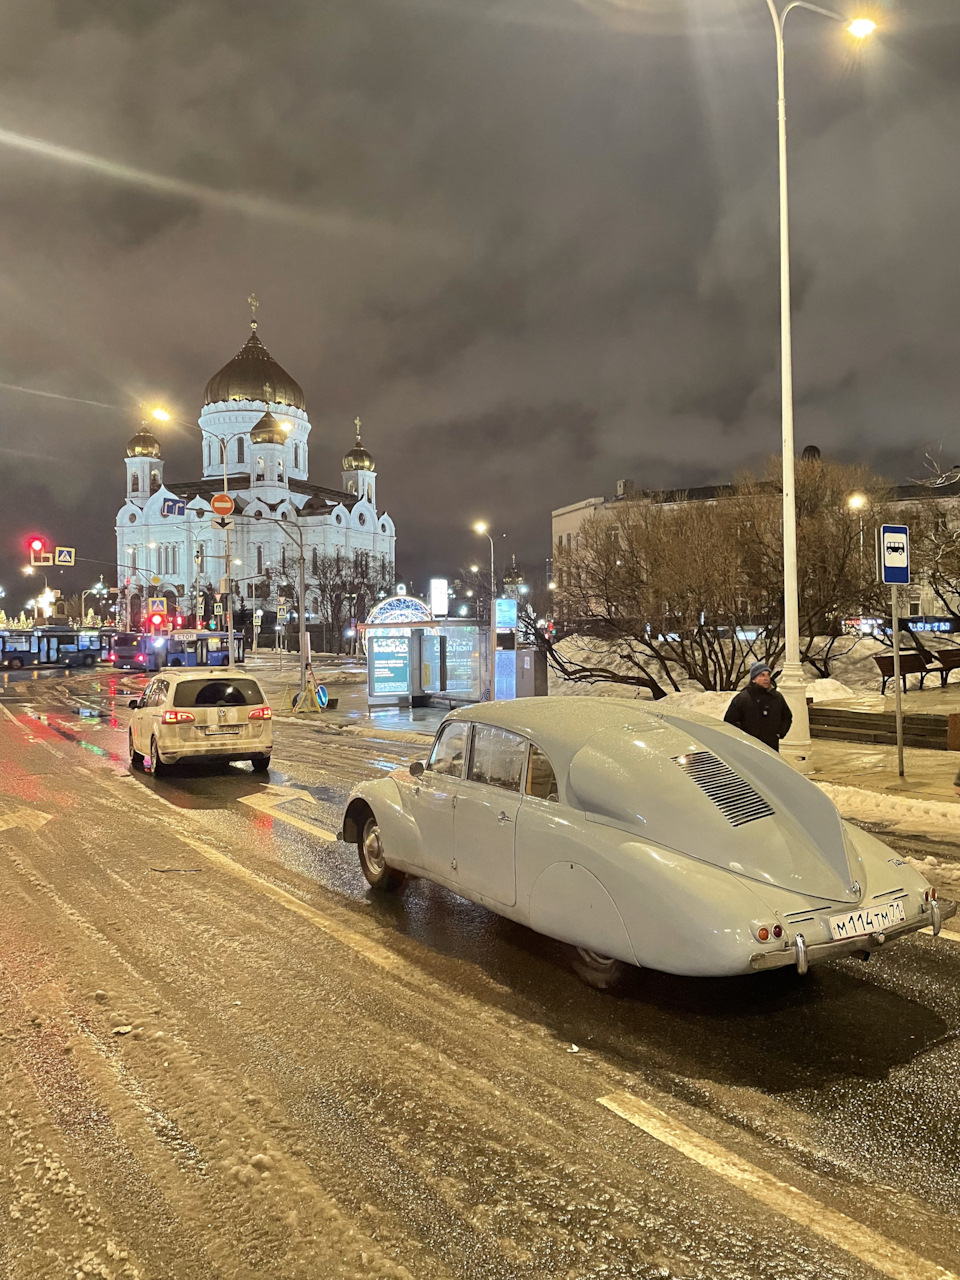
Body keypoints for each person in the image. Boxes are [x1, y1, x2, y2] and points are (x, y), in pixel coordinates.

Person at [724, 661, 793, 752]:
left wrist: (780, 733)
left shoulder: (777, 697)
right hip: (749, 748)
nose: (766, 678)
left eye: (767, 675)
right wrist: (744, 737)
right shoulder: (743, 698)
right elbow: (729, 721)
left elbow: (787, 716)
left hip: (772, 747)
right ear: (753, 679)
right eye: (761, 675)